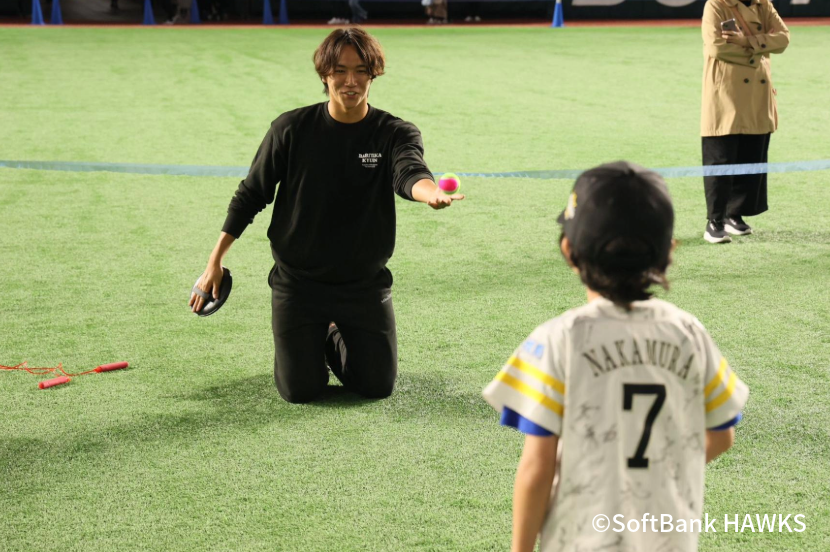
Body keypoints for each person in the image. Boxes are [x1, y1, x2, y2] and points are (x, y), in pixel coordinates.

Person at [483, 161, 748, 552]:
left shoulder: (558, 339)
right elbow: (722, 436)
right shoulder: (689, 333)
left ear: (568, 251)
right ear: (669, 252)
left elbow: (537, 467)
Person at [189, 28, 464, 404]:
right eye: (340, 71)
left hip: (363, 284)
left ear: (373, 74)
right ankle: (304, 339)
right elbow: (251, 194)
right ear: (324, 74)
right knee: (300, 390)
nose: (351, 81)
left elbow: (410, 172)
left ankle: (330, 331)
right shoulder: (290, 129)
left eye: (361, 71)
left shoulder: (394, 133)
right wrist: (214, 261)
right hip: (298, 283)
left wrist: (429, 193)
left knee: (376, 386)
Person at [701, 0, 790, 243]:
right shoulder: (716, 5)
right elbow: (717, 47)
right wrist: (757, 50)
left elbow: (783, 39)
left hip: (758, 94)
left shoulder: (764, 4)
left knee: (752, 155)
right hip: (725, 93)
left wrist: (746, 41)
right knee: (721, 158)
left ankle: (734, 214)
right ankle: (714, 221)